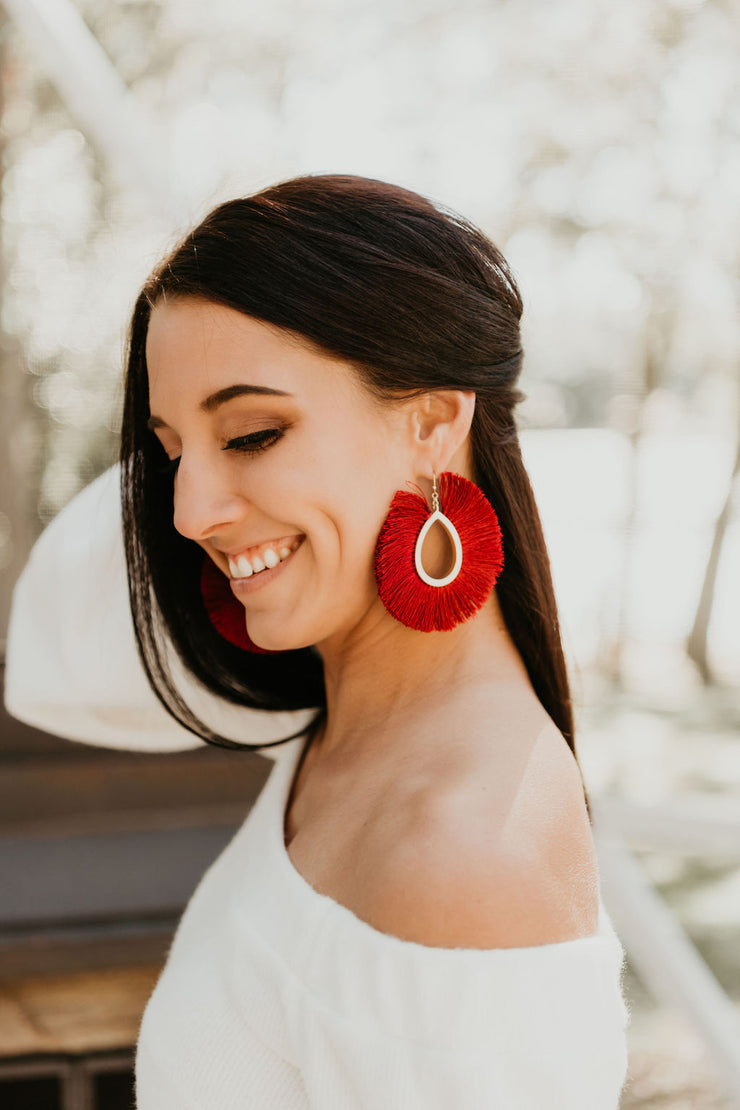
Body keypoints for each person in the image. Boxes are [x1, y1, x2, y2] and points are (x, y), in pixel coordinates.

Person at [4, 173, 630, 1108]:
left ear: (430, 421)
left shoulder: (460, 859)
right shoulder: (337, 721)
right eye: (172, 450)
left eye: (253, 433)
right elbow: (64, 656)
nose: (187, 513)